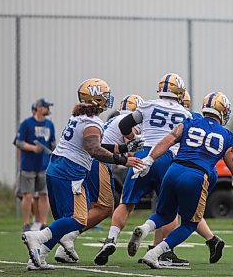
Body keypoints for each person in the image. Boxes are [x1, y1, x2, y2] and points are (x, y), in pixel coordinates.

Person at [21, 78, 144, 271]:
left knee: (66, 220)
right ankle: (37, 236)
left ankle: (38, 256)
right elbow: (95, 150)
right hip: (69, 171)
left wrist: (123, 147)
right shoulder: (92, 122)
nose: (107, 99)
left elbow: (95, 144)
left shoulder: (79, 117)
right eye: (104, 96)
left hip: (57, 168)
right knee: (78, 219)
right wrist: (122, 159)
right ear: (96, 99)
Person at [127, 92, 233, 269]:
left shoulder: (190, 121)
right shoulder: (226, 135)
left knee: (164, 214)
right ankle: (155, 253)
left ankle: (144, 228)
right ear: (222, 111)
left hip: (173, 170)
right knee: (190, 223)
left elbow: (167, 140)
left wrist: (149, 160)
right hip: (196, 176)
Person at [94, 73, 192, 266]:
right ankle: (164, 252)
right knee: (170, 209)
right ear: (179, 91)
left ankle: (111, 239)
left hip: (142, 156)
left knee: (126, 203)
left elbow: (123, 125)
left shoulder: (148, 105)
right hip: (166, 159)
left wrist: (134, 140)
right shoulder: (185, 114)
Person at [54, 94, 145, 263]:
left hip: (87, 161)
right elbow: (130, 149)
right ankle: (67, 236)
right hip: (99, 162)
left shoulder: (114, 119)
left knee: (90, 206)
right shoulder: (128, 121)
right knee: (105, 207)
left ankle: (64, 246)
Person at [15, 98, 56, 232]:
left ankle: (43, 223)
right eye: (46, 107)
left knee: (44, 195)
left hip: (44, 165)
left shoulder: (49, 124)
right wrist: (33, 148)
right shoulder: (27, 123)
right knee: (28, 195)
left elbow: (52, 143)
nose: (48, 110)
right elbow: (19, 142)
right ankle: (26, 224)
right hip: (28, 166)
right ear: (39, 108)